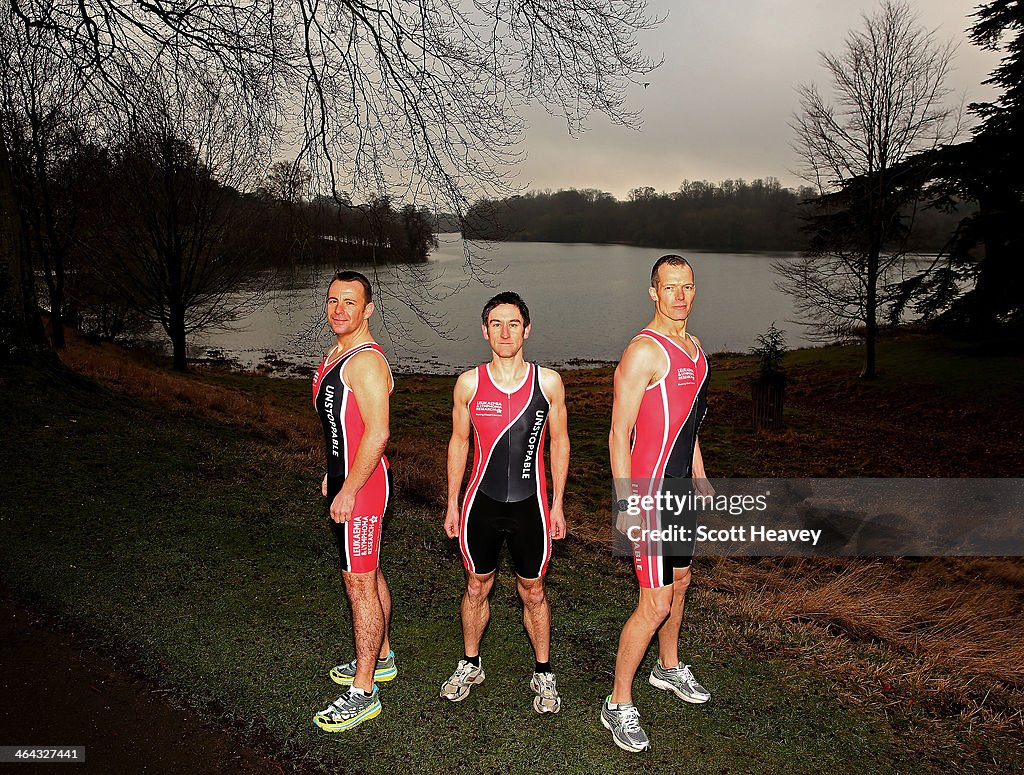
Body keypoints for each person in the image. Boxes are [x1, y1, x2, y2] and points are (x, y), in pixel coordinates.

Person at [601, 255, 714, 752]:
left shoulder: (697, 351)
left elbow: (687, 424)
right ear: (654, 292)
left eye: (687, 287)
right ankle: (617, 702)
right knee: (654, 602)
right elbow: (618, 433)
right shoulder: (644, 352)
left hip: (681, 491)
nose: (681, 296)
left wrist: (701, 474)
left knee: (682, 579)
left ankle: (668, 669)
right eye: (671, 288)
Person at [441, 291, 569, 714]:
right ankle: (470, 662)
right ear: (484, 330)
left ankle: (544, 671)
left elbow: (560, 442)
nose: (505, 332)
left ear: (527, 330)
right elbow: (459, 442)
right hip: (482, 502)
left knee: (533, 591)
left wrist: (558, 505)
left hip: (531, 505)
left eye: (513, 324)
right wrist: (453, 504)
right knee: (477, 585)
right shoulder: (469, 383)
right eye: (496, 324)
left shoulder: (548, 383)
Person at [311, 271, 396, 733]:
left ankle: (363, 692)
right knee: (371, 572)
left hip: (362, 491)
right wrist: (334, 471)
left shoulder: (364, 362)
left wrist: (348, 489)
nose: (339, 309)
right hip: (350, 480)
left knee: (358, 585)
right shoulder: (336, 354)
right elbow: (343, 427)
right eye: (332, 300)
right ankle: (381, 658)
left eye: (350, 302)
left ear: (368, 309)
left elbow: (379, 433)